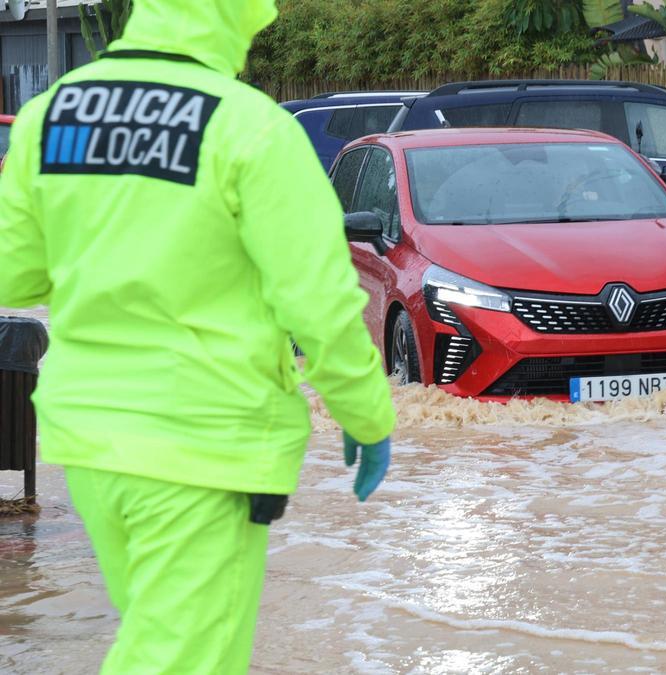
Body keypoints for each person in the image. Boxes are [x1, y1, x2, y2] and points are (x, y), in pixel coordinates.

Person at [0, 1, 396, 672]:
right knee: (181, 660)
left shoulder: (50, 116)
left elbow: (16, 272)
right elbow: (320, 301)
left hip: (92, 443)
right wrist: (365, 410)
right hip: (203, 446)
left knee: (163, 642)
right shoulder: (249, 128)